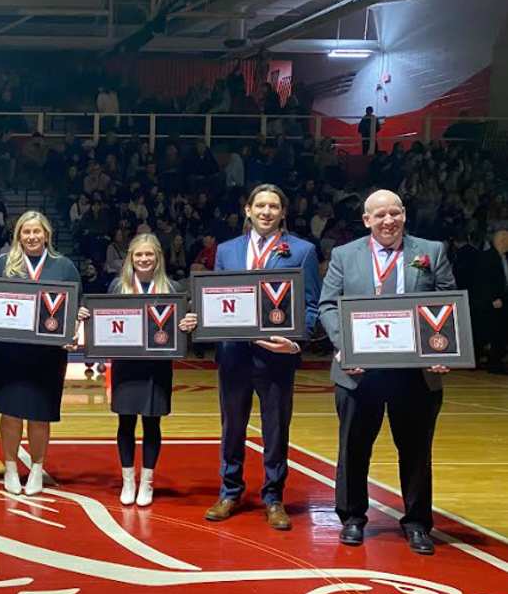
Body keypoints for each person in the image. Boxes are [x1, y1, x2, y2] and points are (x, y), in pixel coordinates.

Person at [318, 189, 455, 555]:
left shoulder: (431, 251)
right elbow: (328, 306)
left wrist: (443, 349)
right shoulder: (345, 256)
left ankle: (416, 523)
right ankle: (351, 518)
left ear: (404, 215)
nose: (388, 220)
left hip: (414, 373)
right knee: (353, 448)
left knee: (415, 451)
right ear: (366, 220)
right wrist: (343, 344)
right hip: (358, 371)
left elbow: (446, 304)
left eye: (395, 213)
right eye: (379, 215)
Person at [204, 184, 320, 531]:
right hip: (234, 353)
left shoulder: (302, 251)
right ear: (248, 210)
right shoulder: (226, 251)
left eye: (273, 206)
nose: (266, 212)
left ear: (283, 212)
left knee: (275, 429)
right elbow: (217, 298)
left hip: (277, 358)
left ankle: (273, 497)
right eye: (260, 206)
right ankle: (230, 491)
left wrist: (295, 341)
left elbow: (310, 305)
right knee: (232, 427)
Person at [0, 211, 87, 496]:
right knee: (11, 413)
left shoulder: (63, 266)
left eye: (36, 232)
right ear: (18, 236)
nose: (31, 237)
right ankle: (11, 468)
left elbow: (78, 304)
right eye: (25, 232)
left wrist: (77, 323)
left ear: (46, 235)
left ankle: (38, 469)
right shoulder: (3, 264)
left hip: (48, 355)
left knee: (40, 414)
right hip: (9, 353)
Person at [106, 233, 198, 506]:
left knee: (152, 422)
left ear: (158, 258)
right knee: (125, 422)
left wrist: (189, 324)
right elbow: (105, 320)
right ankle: (128, 480)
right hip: (126, 366)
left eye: (149, 255)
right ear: (130, 259)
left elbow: (184, 328)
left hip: (157, 367)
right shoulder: (117, 286)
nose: (144, 259)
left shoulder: (172, 288)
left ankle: (147, 482)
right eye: (138, 255)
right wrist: (89, 317)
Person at [475, 229, 508, 373]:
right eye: (505, 239)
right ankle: (492, 363)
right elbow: (482, 282)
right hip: (492, 303)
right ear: (500, 241)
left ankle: (497, 361)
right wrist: (491, 299)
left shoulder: (505, 258)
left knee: (501, 333)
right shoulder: (486, 258)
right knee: (490, 332)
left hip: (504, 302)